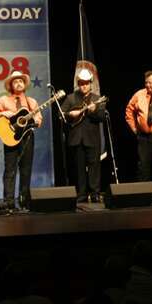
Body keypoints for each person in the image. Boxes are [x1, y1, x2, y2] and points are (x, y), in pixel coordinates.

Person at [0, 71, 41, 212]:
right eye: (15, 81)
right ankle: (8, 201)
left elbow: (38, 117)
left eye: (21, 81)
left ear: (24, 84)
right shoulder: (4, 100)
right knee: (10, 170)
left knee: (26, 170)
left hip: (27, 138)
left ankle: (24, 200)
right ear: (11, 85)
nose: (19, 83)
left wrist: (37, 120)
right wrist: (3, 113)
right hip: (10, 138)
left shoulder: (31, 102)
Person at [61, 68, 105, 203]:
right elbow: (61, 114)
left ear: (90, 83)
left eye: (86, 83)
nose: (84, 86)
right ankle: (81, 194)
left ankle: (95, 193)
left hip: (92, 138)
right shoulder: (71, 98)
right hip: (76, 139)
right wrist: (69, 114)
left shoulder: (97, 99)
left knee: (94, 166)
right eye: (81, 83)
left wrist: (93, 111)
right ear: (78, 83)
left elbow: (102, 117)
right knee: (79, 168)